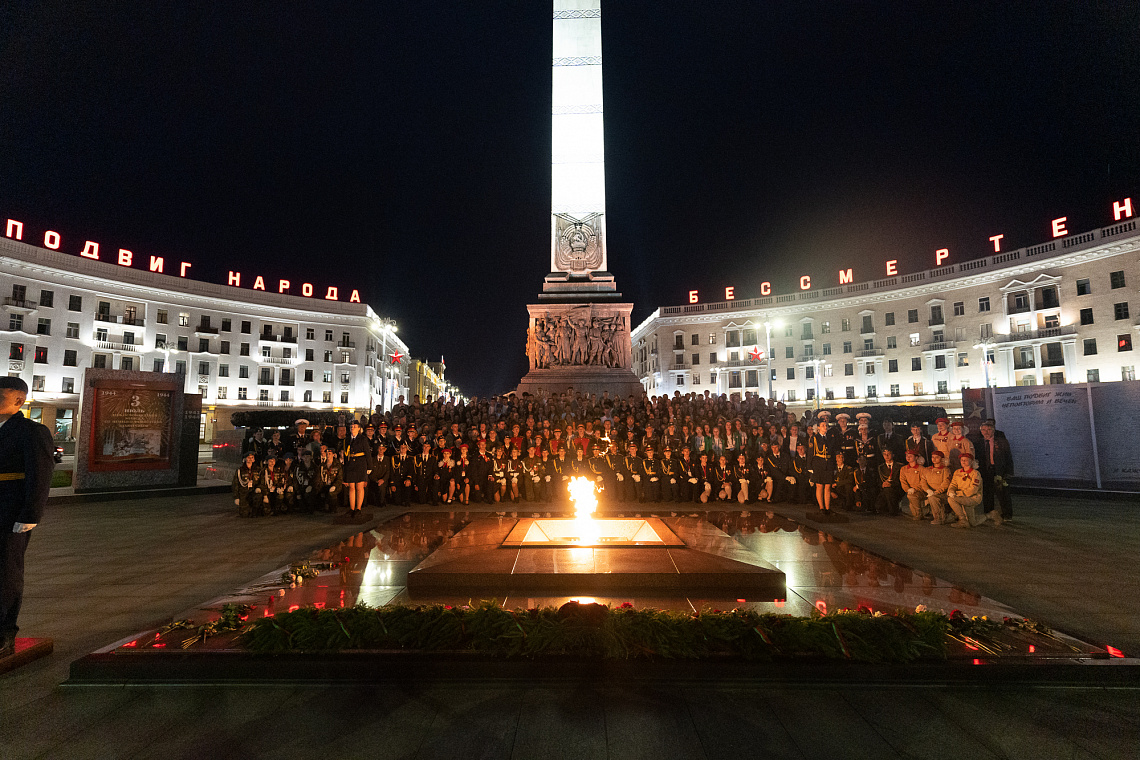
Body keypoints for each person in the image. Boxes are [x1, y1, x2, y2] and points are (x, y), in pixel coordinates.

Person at [0, 377, 54, 658]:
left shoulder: (31, 432)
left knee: (5, 572)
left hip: (10, 512)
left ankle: (4, 632)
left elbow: (41, 475)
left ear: (19, 401)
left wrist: (31, 513)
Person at [973, 419, 1013, 524]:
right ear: (981, 431)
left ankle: (1007, 515)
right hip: (985, 471)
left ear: (993, 430)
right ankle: (989, 513)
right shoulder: (978, 443)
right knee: (987, 493)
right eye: (984, 430)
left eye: (989, 430)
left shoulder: (1001, 442)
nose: (986, 432)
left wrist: (1008, 473)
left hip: (999, 470)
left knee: (1003, 493)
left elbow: (1008, 457)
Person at [341, 419, 373, 516]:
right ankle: (352, 508)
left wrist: (369, 466)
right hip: (350, 464)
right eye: (351, 427)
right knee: (351, 487)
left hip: (360, 463)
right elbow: (346, 455)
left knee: (359, 487)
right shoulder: (347, 439)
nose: (352, 428)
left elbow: (367, 453)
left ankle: (358, 508)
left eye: (355, 426)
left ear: (359, 429)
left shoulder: (362, 439)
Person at [947, 453, 986, 528]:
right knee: (973, 523)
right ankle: (990, 515)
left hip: (972, 498)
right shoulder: (957, 472)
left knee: (951, 499)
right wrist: (951, 491)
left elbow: (973, 490)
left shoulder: (975, 473)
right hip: (962, 497)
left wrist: (957, 493)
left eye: (966, 460)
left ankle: (962, 520)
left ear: (971, 461)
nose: (963, 462)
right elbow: (953, 484)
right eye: (962, 460)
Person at [922, 449, 952, 525]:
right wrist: (928, 490)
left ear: (942, 459)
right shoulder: (927, 469)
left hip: (942, 493)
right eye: (933, 457)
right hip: (929, 492)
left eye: (937, 457)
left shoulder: (945, 470)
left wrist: (936, 492)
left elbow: (946, 483)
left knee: (933, 498)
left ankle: (938, 518)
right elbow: (923, 481)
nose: (934, 459)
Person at [900, 449, 927, 520]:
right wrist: (908, 489)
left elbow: (923, 482)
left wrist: (916, 489)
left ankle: (919, 513)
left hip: (920, 491)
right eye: (907, 456)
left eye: (910, 456)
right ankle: (919, 513)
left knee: (911, 497)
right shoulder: (903, 469)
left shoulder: (922, 469)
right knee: (911, 501)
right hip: (910, 491)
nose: (908, 457)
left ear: (916, 457)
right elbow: (903, 481)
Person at [874, 448, 903, 515]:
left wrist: (891, 484)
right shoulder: (880, 467)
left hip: (896, 488)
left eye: (888, 454)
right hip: (885, 488)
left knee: (888, 490)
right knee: (879, 505)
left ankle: (893, 510)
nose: (886, 456)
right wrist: (883, 484)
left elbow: (901, 479)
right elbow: (879, 480)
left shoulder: (899, 466)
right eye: (884, 454)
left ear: (893, 455)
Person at [232, 452, 260, 517]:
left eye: (252, 458)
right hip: (243, 492)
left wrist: (259, 488)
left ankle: (255, 510)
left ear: (254, 459)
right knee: (244, 514)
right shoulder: (240, 470)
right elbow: (235, 484)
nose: (250, 459)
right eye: (248, 458)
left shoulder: (258, 470)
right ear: (245, 459)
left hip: (253, 491)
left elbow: (261, 481)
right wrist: (236, 497)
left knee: (258, 497)